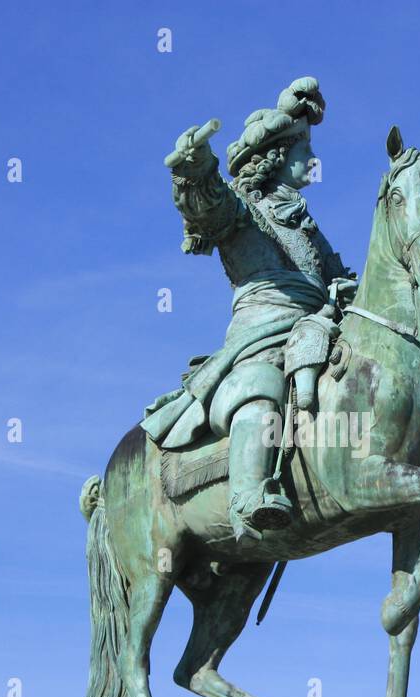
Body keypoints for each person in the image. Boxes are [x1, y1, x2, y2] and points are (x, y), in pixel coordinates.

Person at [141, 77, 358, 541]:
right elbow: (209, 207)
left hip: (318, 324)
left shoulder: (306, 224)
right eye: (304, 151)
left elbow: (341, 277)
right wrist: (196, 170)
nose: (312, 161)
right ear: (278, 156)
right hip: (262, 330)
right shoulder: (243, 210)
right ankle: (247, 497)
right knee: (261, 384)